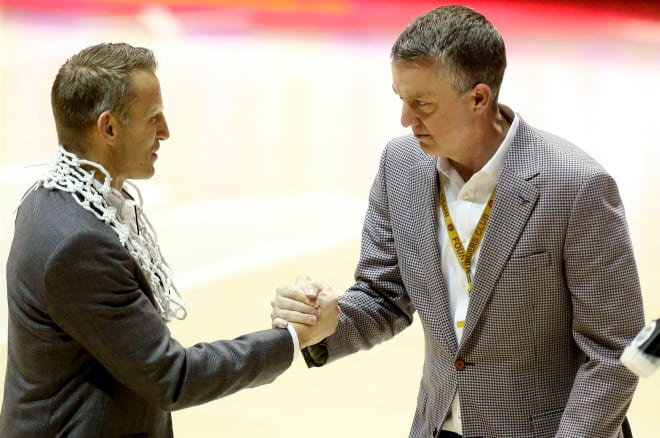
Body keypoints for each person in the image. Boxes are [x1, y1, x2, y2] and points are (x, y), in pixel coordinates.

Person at [271, 5, 645, 438]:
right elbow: (384, 295)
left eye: (422, 103)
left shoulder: (577, 186)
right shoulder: (401, 165)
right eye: (401, 98)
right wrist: (326, 324)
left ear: (478, 98)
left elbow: (614, 349)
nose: (406, 119)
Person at [0, 42, 338, 437]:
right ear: (108, 128)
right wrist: (294, 337)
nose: (165, 132)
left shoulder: (50, 200)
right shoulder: (79, 245)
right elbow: (172, 377)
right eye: (153, 118)